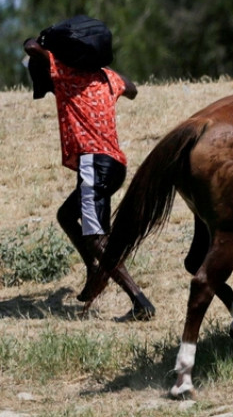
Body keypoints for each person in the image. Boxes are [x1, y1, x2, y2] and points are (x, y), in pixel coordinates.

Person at [23, 35, 155, 321]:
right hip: (114, 164)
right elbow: (132, 89)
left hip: (94, 164)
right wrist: (106, 70)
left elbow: (32, 47)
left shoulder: (68, 74)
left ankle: (140, 301)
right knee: (68, 216)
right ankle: (95, 270)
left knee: (95, 237)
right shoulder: (106, 77)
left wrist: (45, 38)